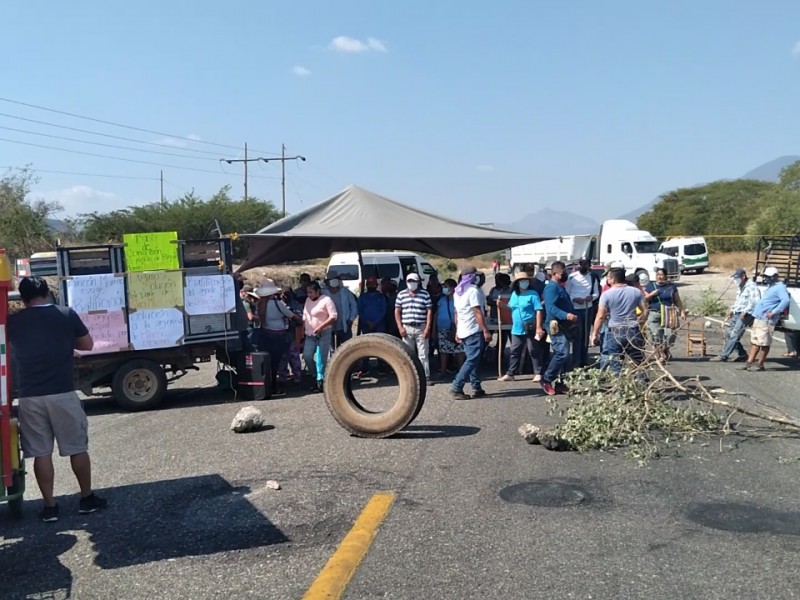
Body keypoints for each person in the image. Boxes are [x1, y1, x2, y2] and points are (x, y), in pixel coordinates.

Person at [7, 276, 106, 522]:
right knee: (77, 447)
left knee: (41, 453)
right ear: (47, 293)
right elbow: (88, 345)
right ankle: (86, 499)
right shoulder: (65, 314)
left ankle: (50, 507)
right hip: (62, 392)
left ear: (23, 298)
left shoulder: (13, 322)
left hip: (30, 396)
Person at [590, 267, 648, 373]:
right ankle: (642, 384)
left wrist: (594, 333)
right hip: (632, 330)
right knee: (638, 361)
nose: (607, 280)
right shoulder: (636, 292)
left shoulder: (606, 295)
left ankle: (618, 384)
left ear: (613, 279)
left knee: (615, 362)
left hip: (615, 331)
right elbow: (645, 311)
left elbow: (600, 316)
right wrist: (640, 322)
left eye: (608, 278)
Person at [450, 266, 492, 399]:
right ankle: (457, 386)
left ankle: (476, 386)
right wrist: (485, 329)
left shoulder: (457, 292)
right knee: (472, 360)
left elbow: (457, 313)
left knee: (472, 359)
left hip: (464, 329)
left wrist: (457, 330)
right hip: (473, 329)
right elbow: (477, 312)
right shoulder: (473, 291)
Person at [741, 266, 791, 371]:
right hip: (759, 317)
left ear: (775, 276)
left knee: (764, 342)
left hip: (766, 320)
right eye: (766, 276)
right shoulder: (770, 286)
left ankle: (760, 364)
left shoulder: (780, 287)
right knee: (755, 341)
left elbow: (785, 301)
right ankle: (749, 362)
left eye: (769, 276)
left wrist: (774, 312)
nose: (767, 278)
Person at [255, 281, 300, 396]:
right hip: (279, 336)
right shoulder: (277, 304)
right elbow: (290, 315)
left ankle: (269, 385)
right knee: (278, 362)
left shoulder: (260, 305)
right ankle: (276, 386)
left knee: (270, 362)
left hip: (266, 335)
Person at [498, 272, 545, 382]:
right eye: (522, 281)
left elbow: (538, 310)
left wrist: (538, 327)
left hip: (530, 326)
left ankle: (538, 372)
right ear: (517, 283)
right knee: (515, 350)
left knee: (533, 350)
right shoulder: (515, 294)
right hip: (517, 327)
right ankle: (511, 373)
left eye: (526, 280)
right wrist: (501, 305)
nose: (525, 283)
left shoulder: (533, 294)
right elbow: (511, 308)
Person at [541, 261, 578, 396]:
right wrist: (566, 315)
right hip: (555, 324)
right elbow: (550, 307)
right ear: (554, 274)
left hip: (565, 325)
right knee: (562, 353)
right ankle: (546, 379)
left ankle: (561, 384)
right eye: (562, 274)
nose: (565, 275)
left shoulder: (559, 287)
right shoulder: (551, 288)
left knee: (567, 357)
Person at [710, 268, 761, 362]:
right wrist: (732, 310)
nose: (736, 280)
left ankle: (724, 355)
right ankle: (742, 354)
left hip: (746, 314)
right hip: (737, 313)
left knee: (735, 334)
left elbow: (755, 302)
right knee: (729, 333)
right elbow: (739, 301)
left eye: (737, 278)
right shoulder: (741, 286)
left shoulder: (752, 286)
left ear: (743, 276)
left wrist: (745, 312)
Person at [394, 272, 433, 379]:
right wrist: (400, 327)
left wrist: (427, 327)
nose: (412, 283)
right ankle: (410, 376)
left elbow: (429, 311)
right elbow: (397, 311)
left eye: (414, 281)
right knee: (407, 354)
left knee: (423, 354)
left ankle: (425, 376)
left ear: (418, 282)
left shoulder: (425, 294)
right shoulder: (401, 295)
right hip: (407, 327)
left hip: (421, 327)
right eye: (410, 281)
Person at [642, 268, 686, 362]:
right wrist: (652, 294)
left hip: (669, 313)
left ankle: (665, 350)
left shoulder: (671, 287)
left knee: (670, 334)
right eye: (658, 274)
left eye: (661, 275)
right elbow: (644, 299)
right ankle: (661, 354)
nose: (659, 277)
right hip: (654, 313)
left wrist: (682, 311)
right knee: (656, 334)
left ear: (665, 276)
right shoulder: (650, 286)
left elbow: (677, 300)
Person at [303, 282, 338, 392]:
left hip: (323, 333)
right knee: (307, 356)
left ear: (318, 291)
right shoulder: (308, 300)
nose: (309, 295)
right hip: (310, 334)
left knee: (321, 358)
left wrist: (321, 327)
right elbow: (305, 315)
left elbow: (333, 316)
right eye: (308, 292)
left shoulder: (326, 300)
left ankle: (320, 380)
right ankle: (315, 375)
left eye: (311, 292)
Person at [566, 257, 600, 368]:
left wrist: (591, 297)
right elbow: (567, 293)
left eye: (586, 264)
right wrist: (575, 299)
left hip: (587, 308)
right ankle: (576, 361)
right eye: (582, 264)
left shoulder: (593, 277)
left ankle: (584, 361)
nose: (583, 266)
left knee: (585, 335)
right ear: (578, 264)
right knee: (577, 335)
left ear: (589, 265)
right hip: (575, 309)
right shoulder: (572, 277)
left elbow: (596, 293)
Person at [435, 278, 464, 375]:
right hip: (442, 329)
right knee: (443, 350)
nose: (444, 288)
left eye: (446, 286)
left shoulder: (459, 299)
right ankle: (443, 370)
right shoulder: (442, 299)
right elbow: (436, 314)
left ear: (453, 288)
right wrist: (433, 330)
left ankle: (461, 370)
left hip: (456, 329)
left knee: (459, 350)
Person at [323, 272, 358, 350]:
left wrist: (351, 319)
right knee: (332, 349)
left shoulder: (345, 292)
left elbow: (353, 306)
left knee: (347, 347)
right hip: (329, 326)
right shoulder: (323, 293)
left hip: (344, 325)